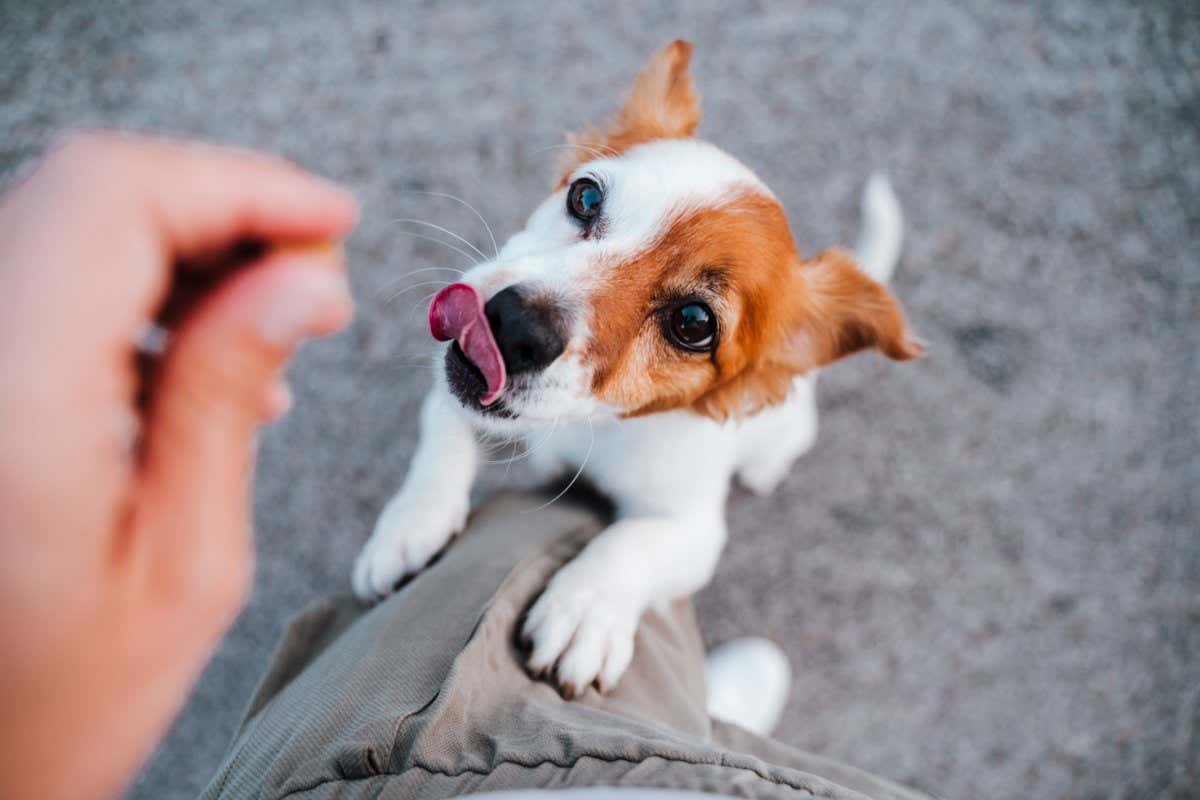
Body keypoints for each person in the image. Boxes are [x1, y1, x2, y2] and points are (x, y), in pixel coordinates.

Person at [0, 134, 930, 800]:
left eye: (689, 324)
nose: (541, 311)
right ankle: (699, 725)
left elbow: (687, 528)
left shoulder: (737, 403)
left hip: (710, 446)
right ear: (571, 177)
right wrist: (433, 483)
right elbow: (456, 403)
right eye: (589, 206)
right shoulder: (538, 323)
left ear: (755, 366)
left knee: (768, 454)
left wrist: (619, 572)